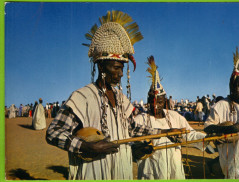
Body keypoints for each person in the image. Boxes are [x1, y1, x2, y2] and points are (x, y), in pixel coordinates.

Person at [46, 11, 174, 180]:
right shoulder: (81, 97)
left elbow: (132, 129)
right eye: (116, 68)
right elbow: (53, 132)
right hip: (93, 172)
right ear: (101, 67)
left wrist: (165, 132)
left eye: (122, 68)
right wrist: (85, 147)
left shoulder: (122, 99)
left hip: (122, 171)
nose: (121, 74)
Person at [133, 56, 206, 179]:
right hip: (150, 172)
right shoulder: (140, 119)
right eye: (152, 101)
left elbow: (190, 134)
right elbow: (131, 145)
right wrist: (140, 149)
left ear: (165, 102)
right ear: (147, 101)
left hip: (174, 170)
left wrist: (208, 138)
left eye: (159, 102)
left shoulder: (174, 116)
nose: (155, 105)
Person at [204, 47, 239, 179]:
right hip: (232, 161)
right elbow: (208, 127)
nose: (237, 89)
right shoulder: (221, 105)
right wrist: (230, 128)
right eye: (234, 86)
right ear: (230, 85)